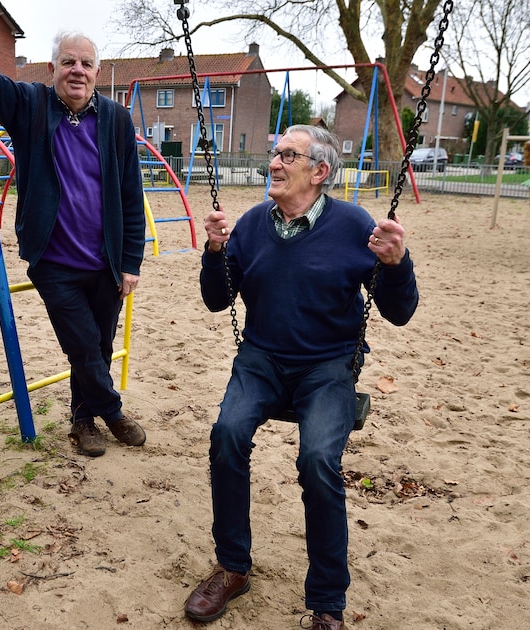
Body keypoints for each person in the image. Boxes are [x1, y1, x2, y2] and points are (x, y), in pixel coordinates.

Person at [186, 125, 419, 628]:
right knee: (226, 435)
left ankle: (327, 603)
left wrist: (397, 265)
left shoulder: (355, 225)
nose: (274, 163)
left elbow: (400, 312)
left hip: (327, 366)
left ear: (319, 172)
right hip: (262, 359)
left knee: (317, 459)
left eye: (287, 156)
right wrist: (213, 252)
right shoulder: (250, 225)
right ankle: (232, 568)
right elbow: (216, 300)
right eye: (275, 153)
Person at [0, 0, 147, 457]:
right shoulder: (31, 106)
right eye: (68, 62)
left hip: (105, 261)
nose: (77, 71)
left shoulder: (117, 120)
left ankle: (83, 420)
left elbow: (130, 194)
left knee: (99, 347)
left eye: (86, 63)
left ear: (98, 71)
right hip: (55, 261)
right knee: (83, 343)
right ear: (53, 68)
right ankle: (113, 411)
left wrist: (130, 262)